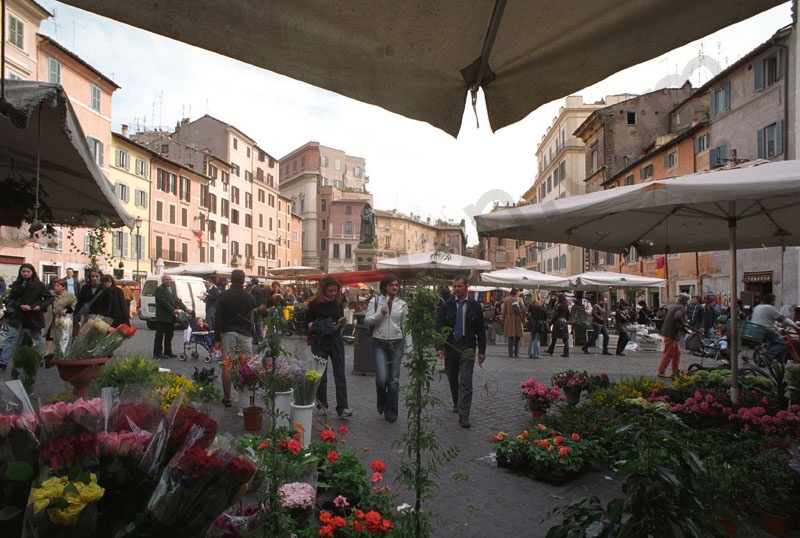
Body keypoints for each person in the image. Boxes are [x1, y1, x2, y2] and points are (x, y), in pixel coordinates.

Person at [435, 275, 486, 429]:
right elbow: (439, 326)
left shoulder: (475, 306)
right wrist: (439, 347)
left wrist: (482, 351)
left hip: (468, 346)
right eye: (454, 286)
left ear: (466, 287)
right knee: (452, 378)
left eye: (459, 286)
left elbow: (481, 330)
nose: (456, 289)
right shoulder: (447, 305)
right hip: (451, 345)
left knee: (465, 381)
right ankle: (457, 403)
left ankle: (464, 415)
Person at [363, 274, 409, 423]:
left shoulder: (402, 304)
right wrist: (380, 314)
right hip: (380, 342)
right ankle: (381, 397)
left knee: (394, 380)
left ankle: (391, 411)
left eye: (396, 285)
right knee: (382, 378)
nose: (395, 287)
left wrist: (410, 348)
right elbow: (367, 321)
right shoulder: (375, 301)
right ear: (385, 287)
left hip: (397, 343)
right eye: (392, 285)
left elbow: (406, 327)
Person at [307, 275, 352, 417]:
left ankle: (343, 407)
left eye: (335, 291)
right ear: (324, 290)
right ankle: (322, 405)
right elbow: (308, 324)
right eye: (330, 291)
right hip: (320, 341)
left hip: (336, 339)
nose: (333, 294)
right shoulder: (315, 304)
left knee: (340, 374)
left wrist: (340, 324)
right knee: (321, 374)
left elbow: (339, 317)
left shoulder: (338, 302)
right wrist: (322, 325)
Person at [215, 269, 258, 407]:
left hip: (228, 333)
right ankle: (245, 399)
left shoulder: (223, 296)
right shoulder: (250, 298)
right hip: (245, 334)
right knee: (246, 365)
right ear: (243, 280)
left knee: (227, 365)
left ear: (231, 280)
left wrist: (217, 339)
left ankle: (227, 398)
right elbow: (254, 319)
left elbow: (218, 319)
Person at [0, 264, 54, 371]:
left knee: (37, 338)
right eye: (23, 271)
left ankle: (40, 358)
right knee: (11, 337)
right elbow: (10, 299)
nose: (25, 274)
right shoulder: (16, 284)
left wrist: (40, 306)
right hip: (18, 315)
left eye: (28, 272)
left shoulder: (38, 285)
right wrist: (19, 305)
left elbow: (49, 298)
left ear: (32, 272)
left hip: (33, 315)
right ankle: (3, 361)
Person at [751, 293, 799, 361]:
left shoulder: (757, 307)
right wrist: (795, 326)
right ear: (772, 301)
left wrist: (777, 327)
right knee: (783, 343)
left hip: (756, 329)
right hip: (766, 330)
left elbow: (766, 319)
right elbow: (783, 319)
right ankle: (767, 356)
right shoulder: (770, 308)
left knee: (773, 340)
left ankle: (768, 359)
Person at [153, 274, 188, 360]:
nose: (169, 281)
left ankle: (168, 351)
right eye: (167, 279)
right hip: (162, 317)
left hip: (171, 317)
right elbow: (163, 302)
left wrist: (186, 308)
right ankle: (157, 353)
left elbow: (176, 300)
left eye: (169, 279)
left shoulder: (172, 289)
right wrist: (173, 310)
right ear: (163, 280)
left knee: (169, 335)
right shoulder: (159, 289)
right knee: (160, 335)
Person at [657, 293, 690, 379]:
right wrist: (684, 325)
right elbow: (677, 317)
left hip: (669, 332)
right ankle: (661, 371)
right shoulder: (682, 308)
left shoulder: (675, 306)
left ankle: (675, 371)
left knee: (677, 352)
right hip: (671, 333)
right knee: (669, 353)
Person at [43, 278, 77, 357]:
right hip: (50, 318)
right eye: (54, 285)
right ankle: (46, 354)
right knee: (49, 336)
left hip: (62, 319)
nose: (55, 287)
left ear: (63, 287)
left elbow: (75, 305)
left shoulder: (69, 296)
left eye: (58, 286)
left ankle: (61, 353)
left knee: (61, 336)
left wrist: (67, 310)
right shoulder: (50, 294)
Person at [501, 288, 525, 358]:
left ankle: (510, 353)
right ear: (517, 292)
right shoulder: (520, 299)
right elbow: (523, 310)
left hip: (509, 319)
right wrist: (523, 318)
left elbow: (504, 311)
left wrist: (503, 319)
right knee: (517, 337)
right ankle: (516, 353)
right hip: (517, 319)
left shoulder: (507, 300)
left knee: (510, 337)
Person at [526, 293, 548, 359]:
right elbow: (545, 315)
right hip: (539, 323)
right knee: (537, 339)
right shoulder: (542, 305)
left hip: (532, 322)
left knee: (532, 338)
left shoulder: (531, 305)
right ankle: (536, 354)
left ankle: (530, 353)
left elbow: (529, 314)